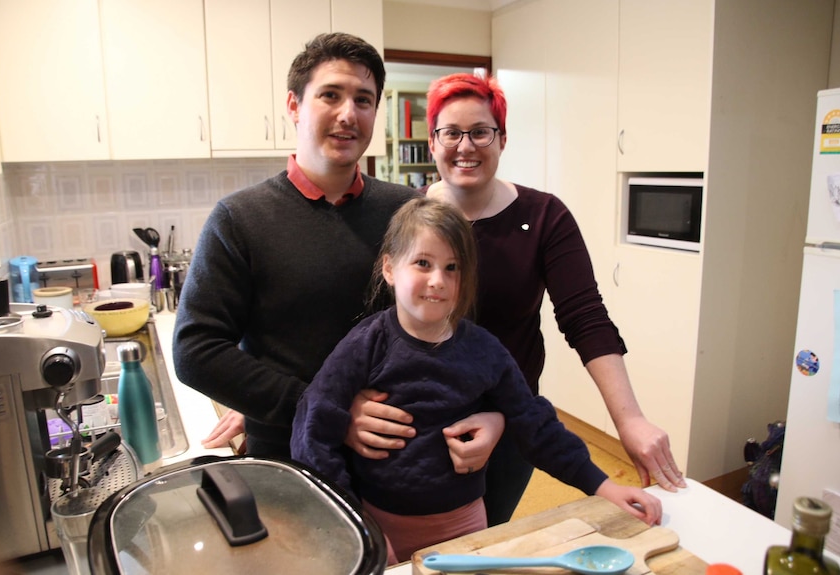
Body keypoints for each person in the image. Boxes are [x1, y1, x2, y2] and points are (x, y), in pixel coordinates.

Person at [345, 73, 687, 527]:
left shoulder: (544, 217)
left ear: (502, 139)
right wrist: (316, 405)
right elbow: (356, 323)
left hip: (511, 423)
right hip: (411, 426)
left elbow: (585, 318)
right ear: (432, 143)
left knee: (482, 543)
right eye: (451, 132)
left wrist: (630, 420)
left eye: (481, 131)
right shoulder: (405, 217)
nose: (465, 146)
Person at [291, 197, 662, 564]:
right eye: (423, 263)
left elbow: (535, 424)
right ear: (389, 268)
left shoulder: (484, 348)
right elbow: (312, 430)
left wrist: (604, 486)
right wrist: (356, 524)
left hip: (467, 525)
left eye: (452, 268)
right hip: (379, 526)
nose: (438, 280)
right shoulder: (365, 344)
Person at [172, 32, 427, 458]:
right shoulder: (240, 218)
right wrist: (325, 406)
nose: (349, 114)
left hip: (400, 450)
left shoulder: (406, 211)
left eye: (363, 100)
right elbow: (196, 350)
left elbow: (448, 322)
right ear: (294, 106)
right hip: (292, 454)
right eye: (330, 95)